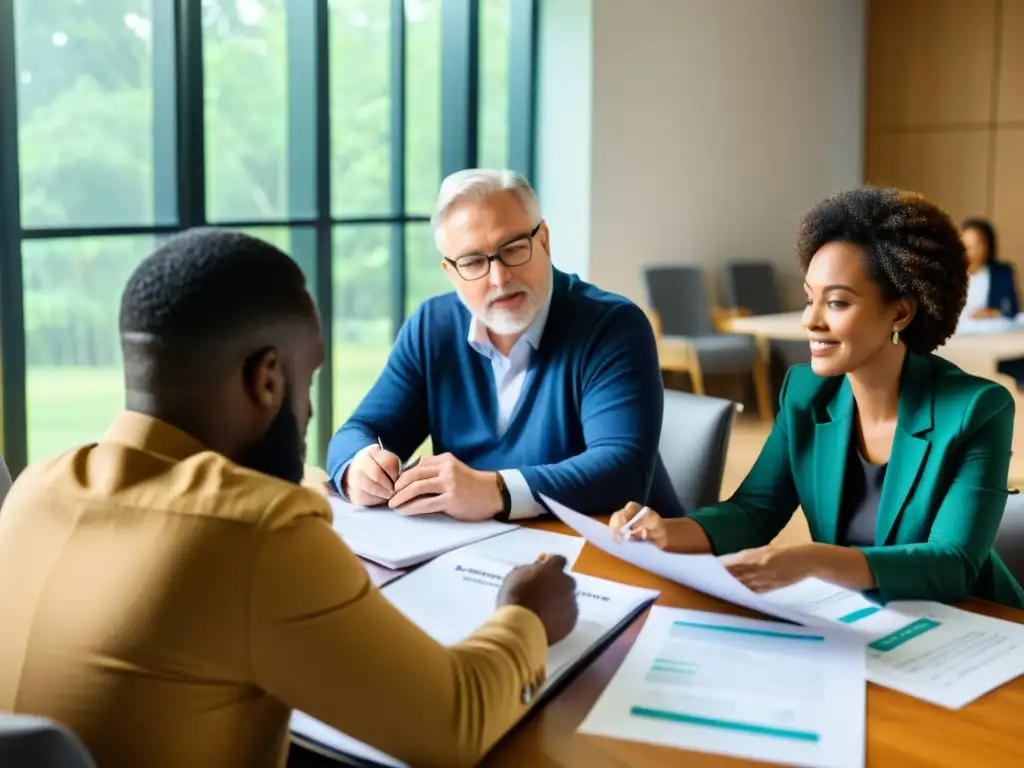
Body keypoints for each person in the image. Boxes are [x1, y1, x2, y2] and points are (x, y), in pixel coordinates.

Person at [0, 229, 580, 768]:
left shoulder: (33, 488)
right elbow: (458, 723)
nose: (305, 411)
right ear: (268, 378)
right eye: (307, 380)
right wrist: (526, 614)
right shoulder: (257, 533)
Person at [610, 187, 1024, 609]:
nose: (811, 319)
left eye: (837, 302)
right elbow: (754, 510)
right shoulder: (806, 392)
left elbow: (952, 565)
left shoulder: (977, 410)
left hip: (975, 625)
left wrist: (814, 560)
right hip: (862, 621)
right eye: (811, 298)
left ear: (900, 312)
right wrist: (667, 530)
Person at [327, 169, 681, 520]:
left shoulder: (614, 326)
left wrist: (496, 490)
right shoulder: (431, 327)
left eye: (512, 249)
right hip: (488, 556)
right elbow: (359, 432)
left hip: (629, 559)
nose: (499, 278)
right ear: (451, 272)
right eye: (473, 262)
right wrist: (358, 466)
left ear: (543, 240)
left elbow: (622, 470)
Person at [959, 217, 1019, 321]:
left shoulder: (1001, 273)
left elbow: (1010, 308)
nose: (967, 252)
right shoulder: (949, 273)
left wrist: (990, 313)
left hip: (989, 333)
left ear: (986, 246)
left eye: (972, 246)